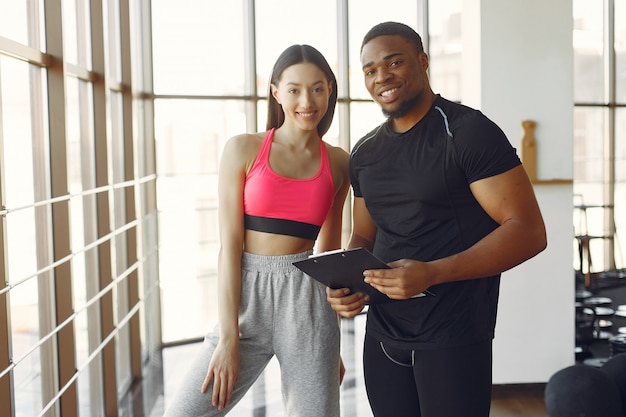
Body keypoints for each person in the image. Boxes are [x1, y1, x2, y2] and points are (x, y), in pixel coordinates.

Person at [326, 21, 547, 417]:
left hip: (454, 335)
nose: (382, 77)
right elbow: (363, 235)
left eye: (394, 62)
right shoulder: (365, 153)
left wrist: (432, 273)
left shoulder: (468, 132)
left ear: (422, 61)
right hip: (382, 335)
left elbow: (528, 232)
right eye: (370, 70)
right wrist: (348, 284)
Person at [164, 44, 350, 417]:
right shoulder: (243, 149)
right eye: (294, 89)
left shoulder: (340, 162)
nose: (306, 100)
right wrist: (229, 335)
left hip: (309, 305)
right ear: (275, 91)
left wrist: (331, 349)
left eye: (317, 88)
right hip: (248, 298)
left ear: (330, 89)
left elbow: (327, 255)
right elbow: (229, 247)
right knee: (184, 413)